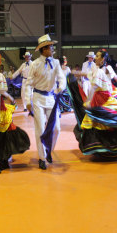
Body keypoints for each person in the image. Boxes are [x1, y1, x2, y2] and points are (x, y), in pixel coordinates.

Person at [69, 49, 117, 159]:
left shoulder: (104, 70)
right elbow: (88, 74)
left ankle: (104, 147)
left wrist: (87, 101)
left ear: (103, 59)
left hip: (103, 98)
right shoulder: (97, 70)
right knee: (103, 122)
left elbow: (100, 84)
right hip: (102, 97)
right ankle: (106, 147)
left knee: (101, 123)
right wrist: (76, 73)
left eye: (97, 56)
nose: (95, 58)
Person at [25, 35, 66, 170]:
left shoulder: (55, 62)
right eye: (51, 46)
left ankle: (49, 150)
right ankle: (42, 158)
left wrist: (61, 87)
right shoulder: (35, 64)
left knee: (56, 129)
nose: (53, 49)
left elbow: (62, 78)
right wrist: (28, 101)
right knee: (40, 129)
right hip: (37, 98)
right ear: (44, 49)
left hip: (51, 98)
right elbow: (28, 83)